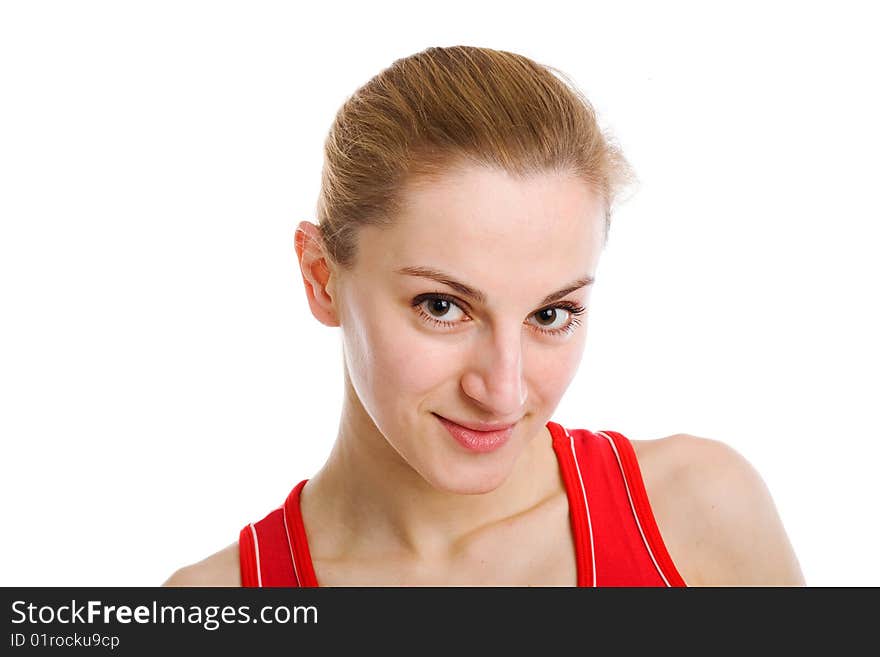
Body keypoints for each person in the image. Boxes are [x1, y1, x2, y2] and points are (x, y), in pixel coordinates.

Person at [162, 45, 805, 587]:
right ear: (322, 278)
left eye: (550, 314)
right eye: (443, 307)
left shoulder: (699, 512)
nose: (503, 390)